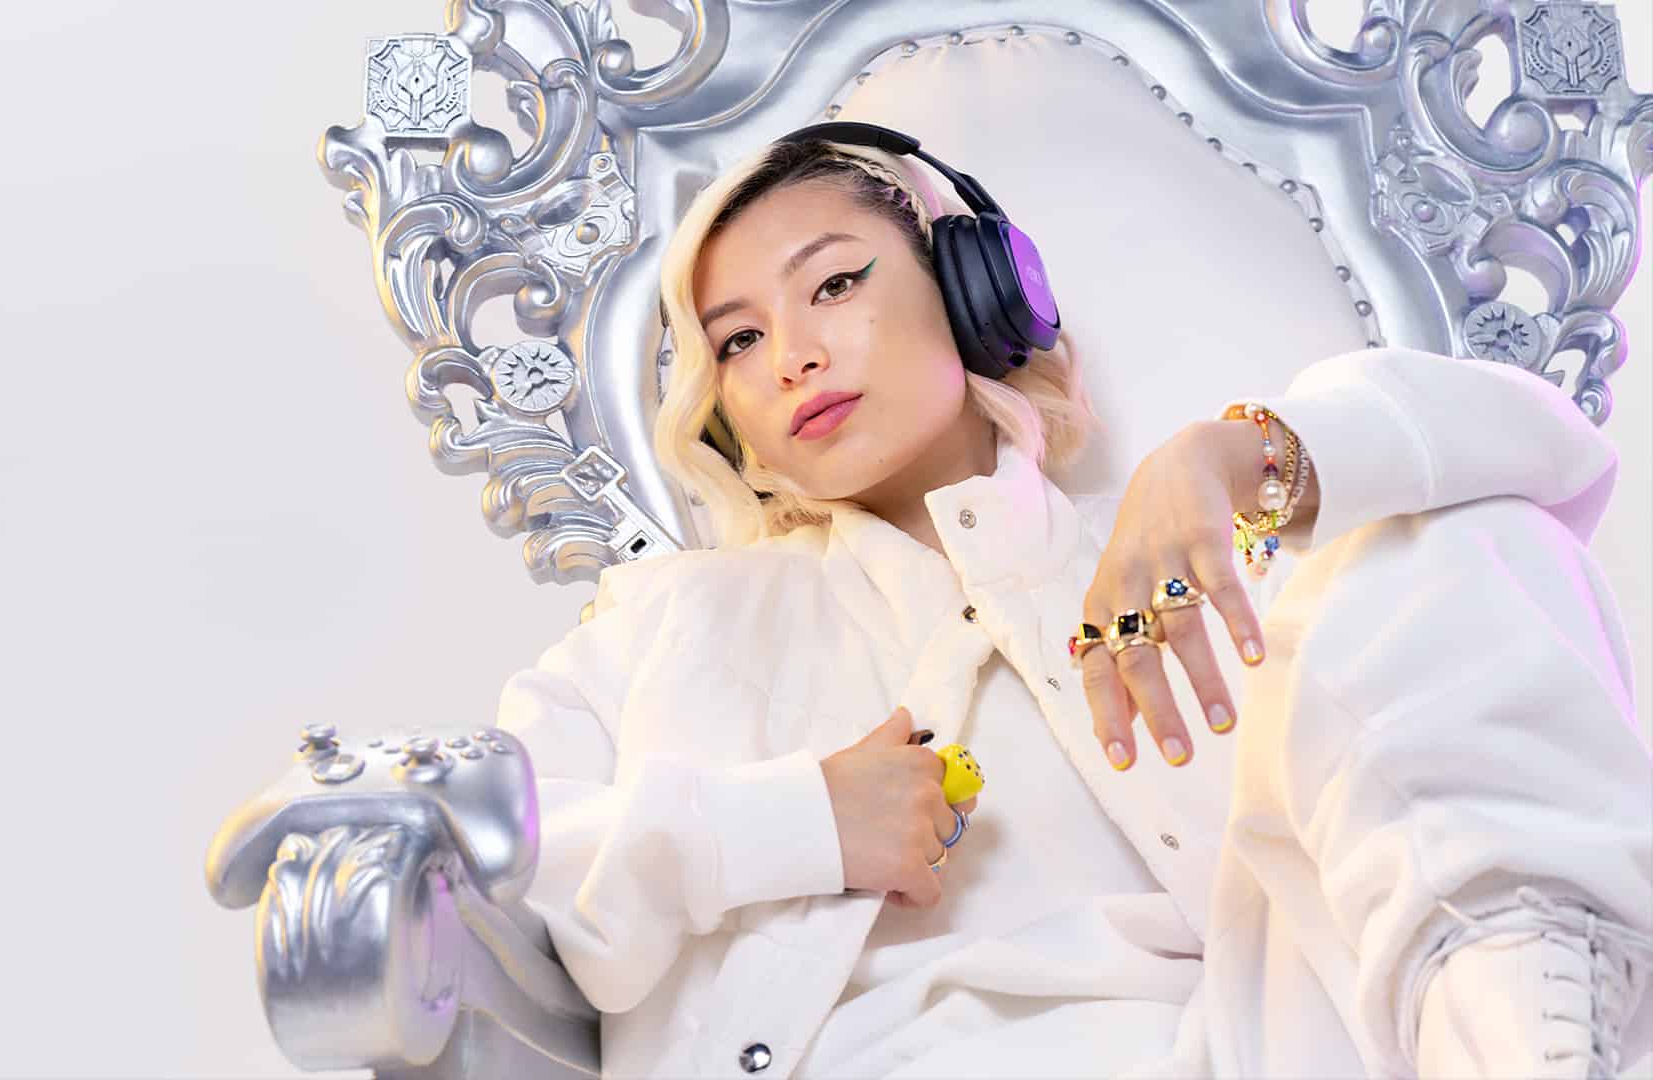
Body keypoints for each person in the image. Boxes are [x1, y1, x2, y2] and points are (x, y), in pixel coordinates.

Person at [496, 128, 1651, 1079]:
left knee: (1450, 529)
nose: (790, 355)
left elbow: (1544, 461)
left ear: (978, 291)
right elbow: (467, 858)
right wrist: (790, 823)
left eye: (835, 283)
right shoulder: (665, 624)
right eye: (739, 340)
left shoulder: (1197, 560)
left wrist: (1241, 457)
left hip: (1248, 1041)